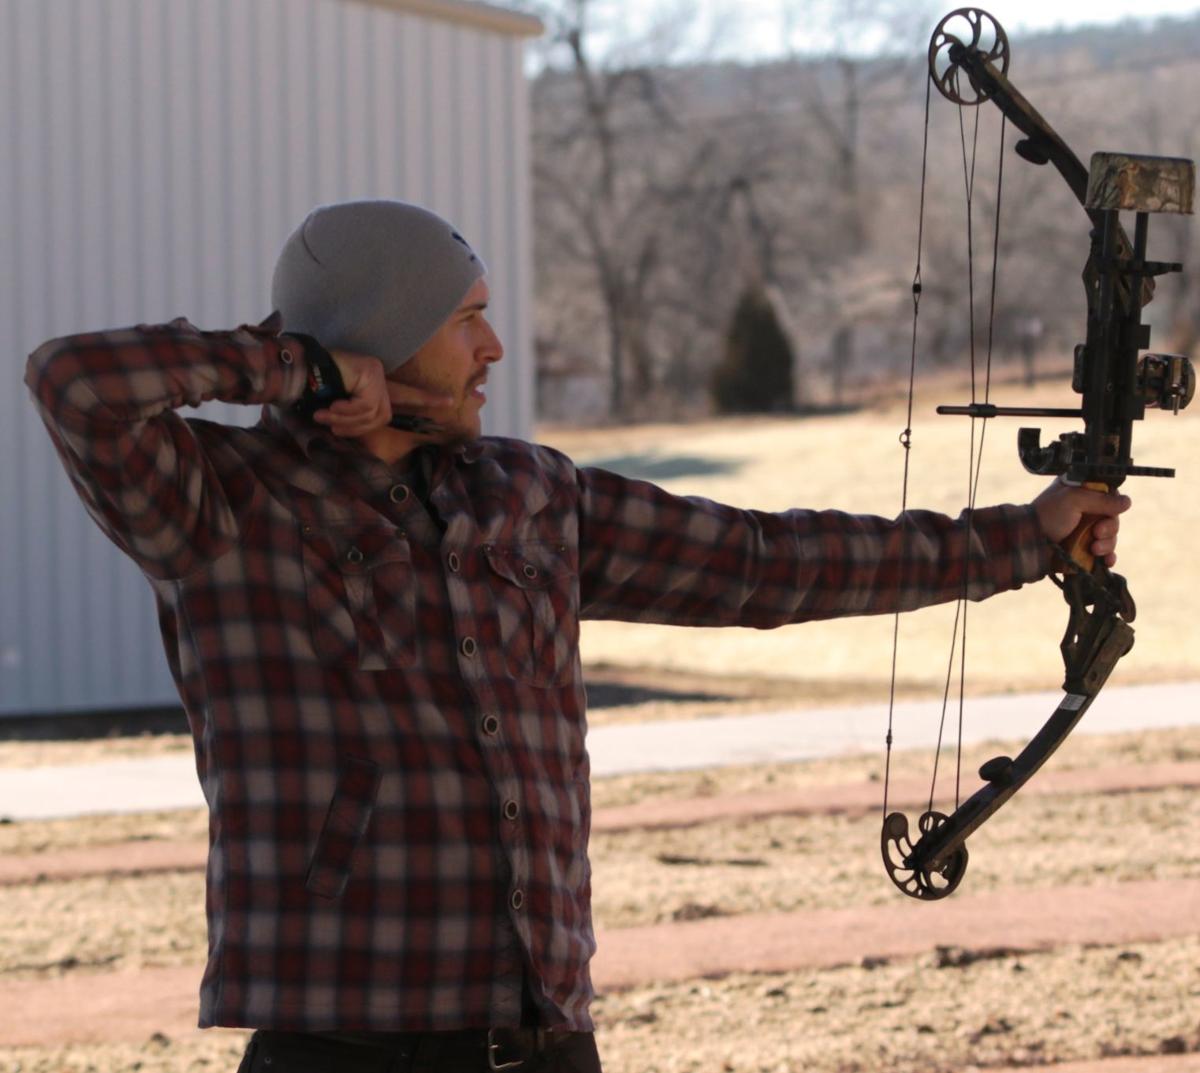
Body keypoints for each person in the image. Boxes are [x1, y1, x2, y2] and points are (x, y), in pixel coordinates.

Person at [24, 199, 1128, 1073]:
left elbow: (763, 561)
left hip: (546, 1039)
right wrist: (294, 367)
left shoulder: (529, 491)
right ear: (380, 334)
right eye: (464, 319)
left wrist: (1020, 539)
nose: (494, 344)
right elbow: (72, 382)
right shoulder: (218, 502)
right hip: (341, 1041)